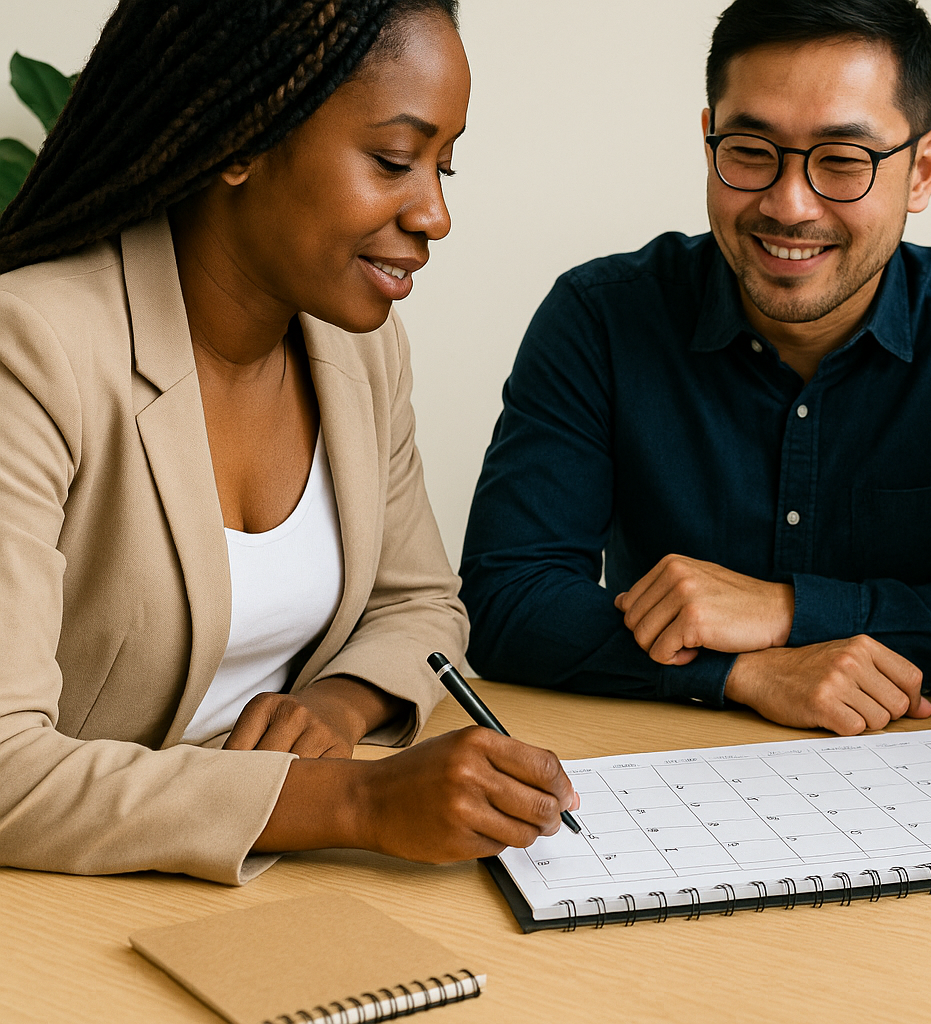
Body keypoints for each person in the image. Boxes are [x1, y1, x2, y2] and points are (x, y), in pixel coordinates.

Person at [0, 0, 577, 884]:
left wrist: (338, 708)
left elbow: (420, 606)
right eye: (393, 160)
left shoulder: (359, 344)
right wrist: (357, 803)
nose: (434, 215)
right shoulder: (31, 348)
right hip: (67, 905)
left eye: (443, 167)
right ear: (242, 139)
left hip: (280, 888)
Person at [459, 0, 931, 736]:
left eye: (843, 160)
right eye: (748, 149)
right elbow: (508, 599)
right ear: (707, 141)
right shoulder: (600, 316)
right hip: (655, 766)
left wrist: (787, 611)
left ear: (922, 171)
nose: (789, 205)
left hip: (916, 766)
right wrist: (742, 673)